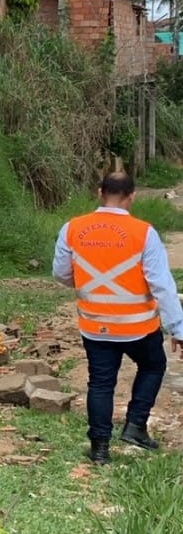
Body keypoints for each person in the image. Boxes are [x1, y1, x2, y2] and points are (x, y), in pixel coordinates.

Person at [53, 170, 183, 464]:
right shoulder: (144, 233)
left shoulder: (73, 228)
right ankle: (135, 425)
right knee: (153, 366)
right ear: (132, 196)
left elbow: (61, 273)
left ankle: (100, 449)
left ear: (100, 192)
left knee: (100, 382)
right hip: (138, 327)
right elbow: (161, 285)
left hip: (94, 324)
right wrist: (178, 328)